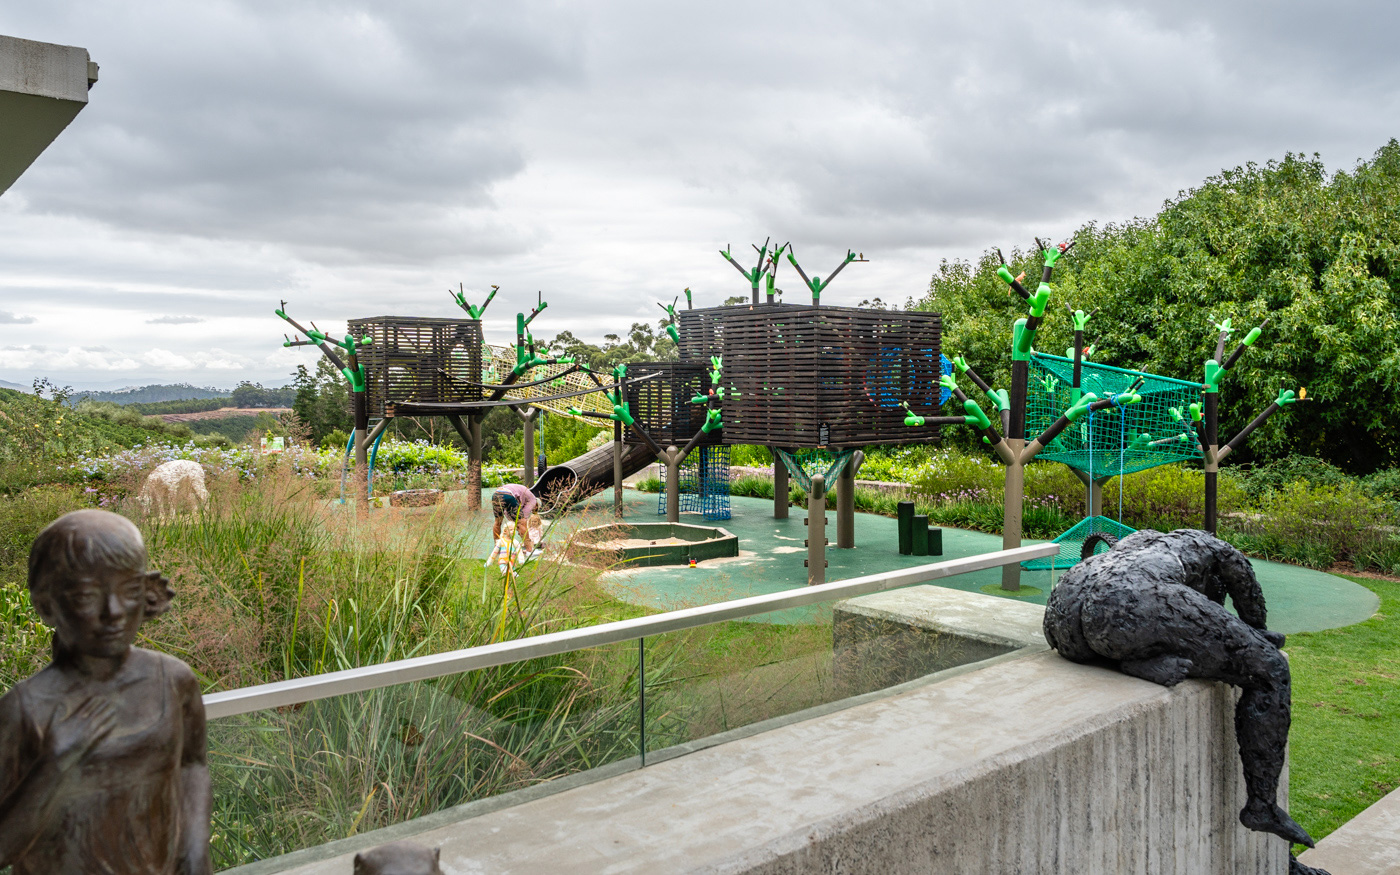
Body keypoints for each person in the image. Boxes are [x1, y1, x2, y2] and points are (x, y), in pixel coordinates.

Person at [0, 509, 211, 875]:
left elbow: (192, 765)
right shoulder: (25, 709)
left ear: (148, 595)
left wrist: (194, 851)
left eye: (128, 591)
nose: (112, 611)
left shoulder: (173, 680)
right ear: (47, 605)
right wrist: (54, 766)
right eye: (87, 596)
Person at [491, 482, 539, 553]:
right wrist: (519, 528)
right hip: (508, 495)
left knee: (497, 522)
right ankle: (529, 549)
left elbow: (507, 512)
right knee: (522, 523)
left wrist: (516, 525)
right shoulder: (533, 500)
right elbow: (523, 518)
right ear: (536, 506)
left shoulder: (523, 495)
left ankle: (497, 547)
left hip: (496, 494)